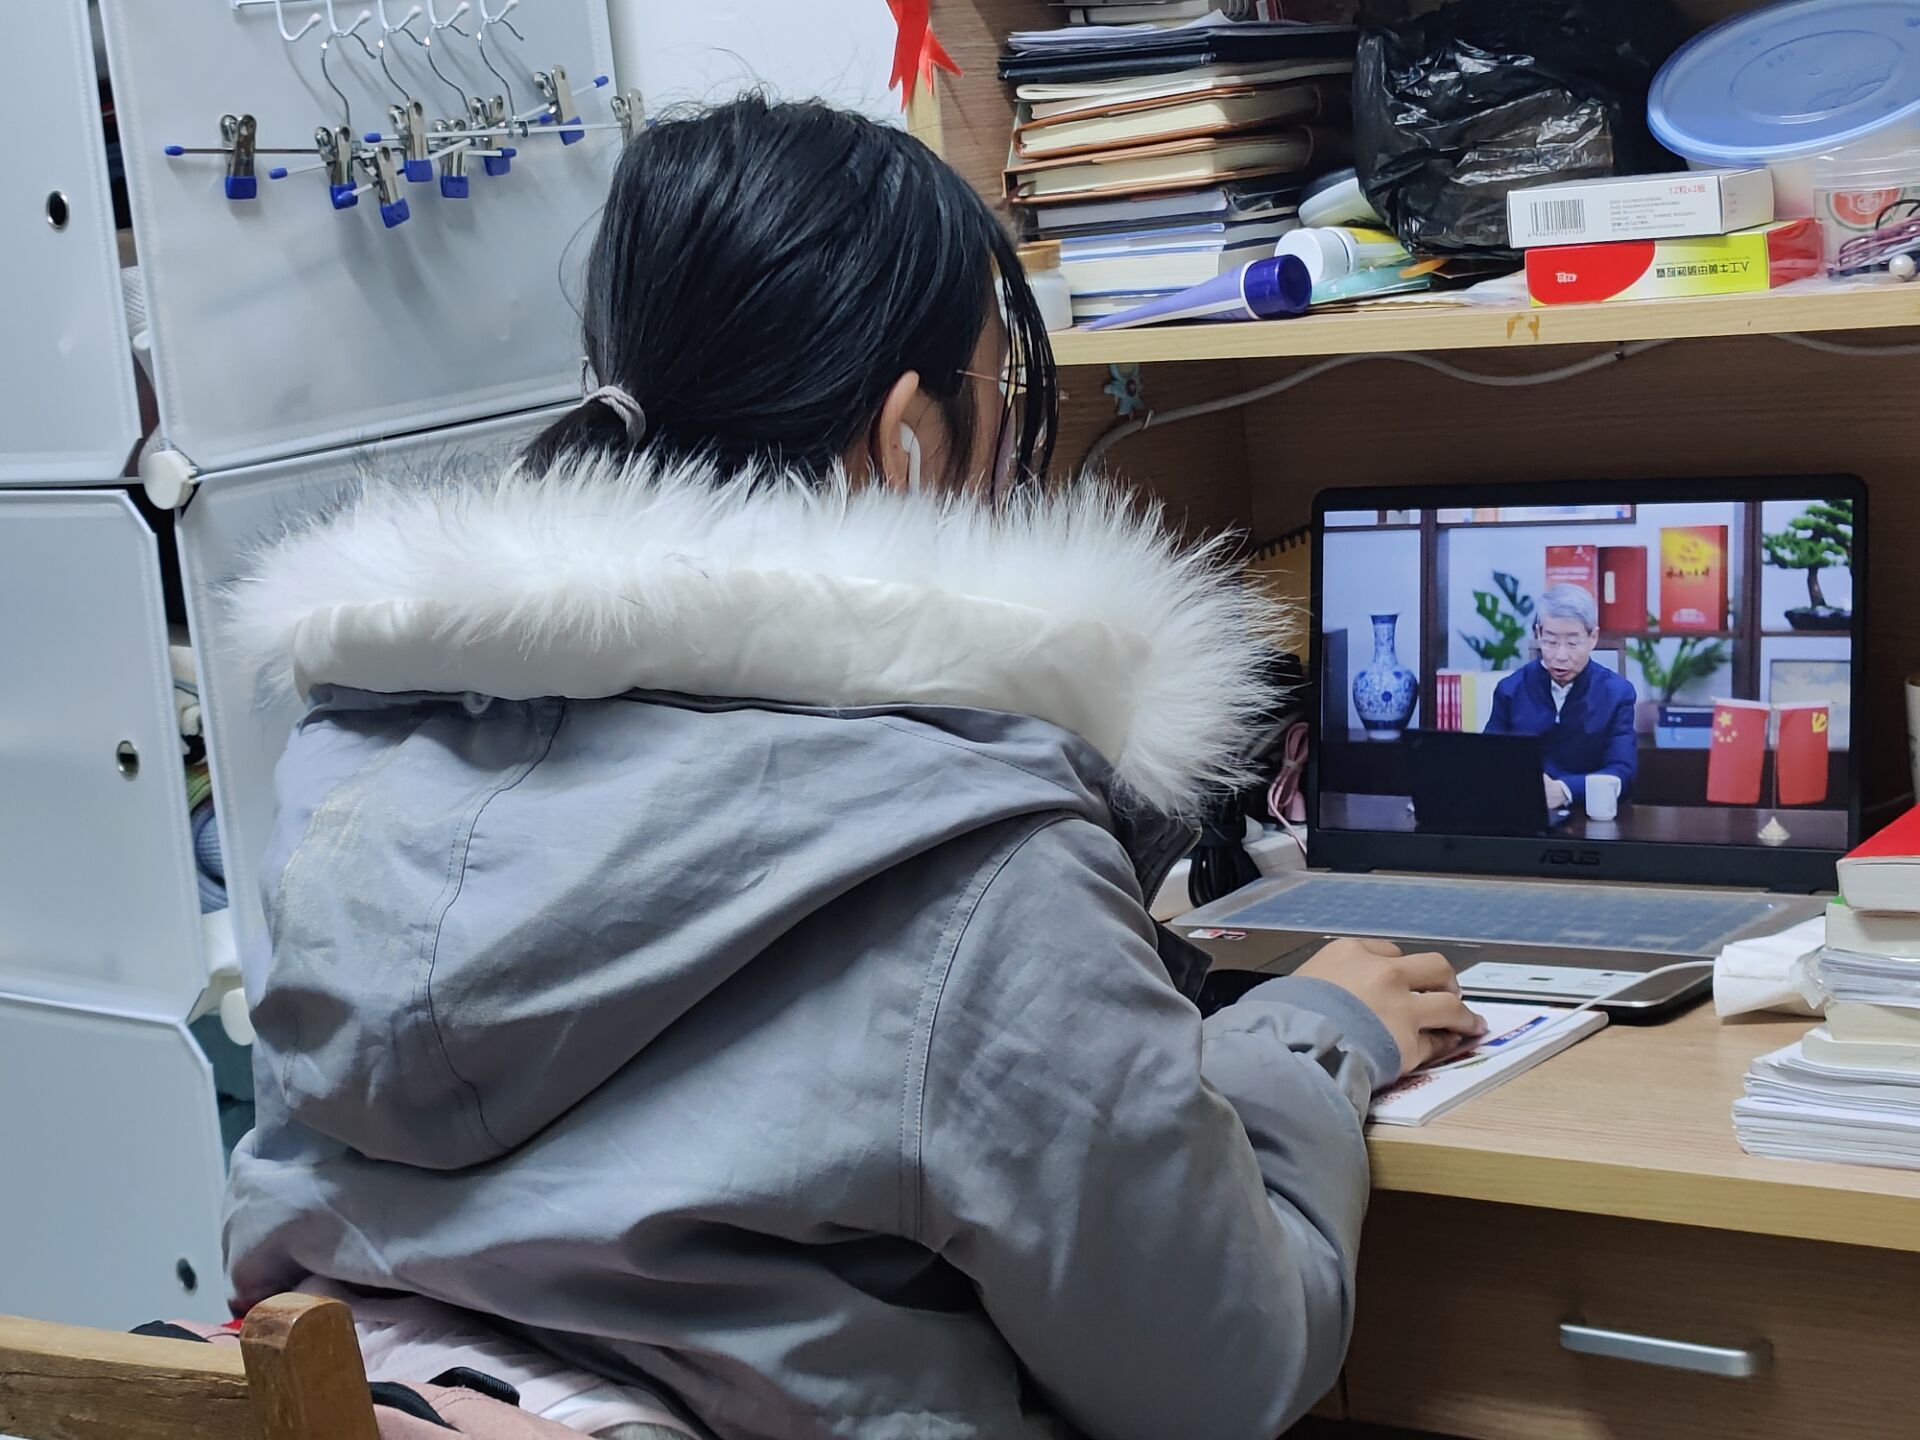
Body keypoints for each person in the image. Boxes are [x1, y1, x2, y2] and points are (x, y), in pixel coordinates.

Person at [222, 97, 1484, 1440]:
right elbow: (1217, 1375)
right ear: (906, 441)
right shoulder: (974, 859)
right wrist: (1305, 1042)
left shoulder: (355, 776)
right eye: (1007, 396)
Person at [1486, 582, 1639, 812]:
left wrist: (1565, 790)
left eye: (1572, 643)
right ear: (1538, 633)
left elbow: (1623, 772)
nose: (1560, 655)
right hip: (1522, 812)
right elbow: (1489, 761)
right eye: (1550, 641)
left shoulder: (1617, 693)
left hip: (1589, 813)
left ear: (1593, 637)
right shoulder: (1510, 690)